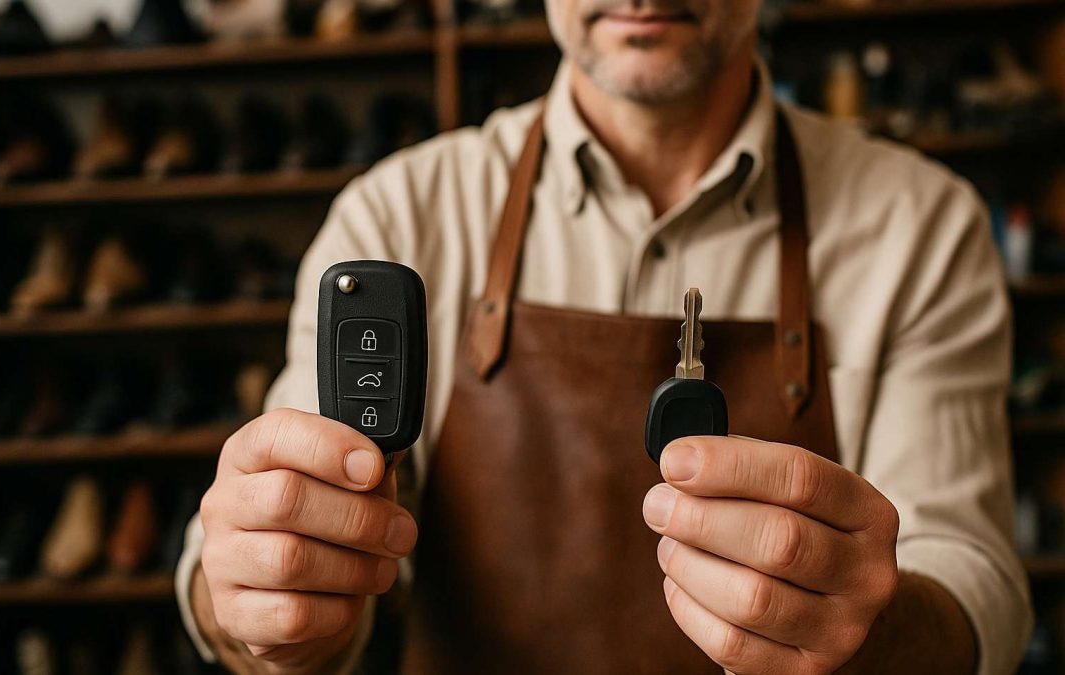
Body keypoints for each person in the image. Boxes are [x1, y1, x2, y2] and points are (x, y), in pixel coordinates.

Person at [177, 0, 1033, 672]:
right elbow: (263, 587)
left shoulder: (924, 226)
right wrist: (260, 600)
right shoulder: (395, 219)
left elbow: (974, 587)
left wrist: (873, 639)